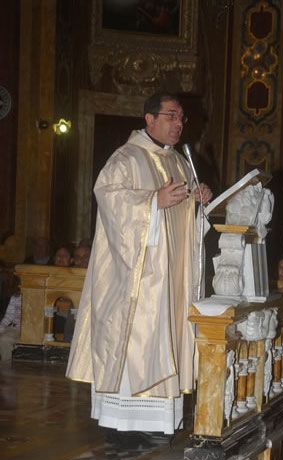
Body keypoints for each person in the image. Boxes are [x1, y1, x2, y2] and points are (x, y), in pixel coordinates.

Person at [66, 92, 212, 438]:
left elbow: (183, 220)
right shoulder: (126, 158)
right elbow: (109, 198)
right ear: (149, 118)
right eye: (171, 116)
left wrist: (198, 199)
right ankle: (123, 424)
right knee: (138, 342)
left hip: (171, 278)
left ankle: (157, 423)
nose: (178, 124)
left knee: (166, 341)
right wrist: (151, 201)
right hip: (140, 279)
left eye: (181, 119)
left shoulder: (178, 161)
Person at [0, 276, 22, 361]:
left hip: (25, 328)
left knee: (5, 339)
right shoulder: (16, 296)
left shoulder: (37, 297)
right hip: (14, 326)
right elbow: (9, 316)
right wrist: (1, 326)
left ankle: (6, 365)